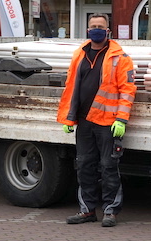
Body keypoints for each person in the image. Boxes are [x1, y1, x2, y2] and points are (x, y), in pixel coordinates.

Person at [57, 13, 136, 227]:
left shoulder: (120, 57)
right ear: (87, 30)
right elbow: (72, 86)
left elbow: (127, 90)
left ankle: (110, 211)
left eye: (100, 26)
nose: (96, 29)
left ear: (108, 31)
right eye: (93, 26)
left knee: (109, 166)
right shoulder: (79, 55)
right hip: (84, 121)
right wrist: (69, 117)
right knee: (84, 166)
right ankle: (87, 210)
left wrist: (121, 119)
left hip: (108, 123)